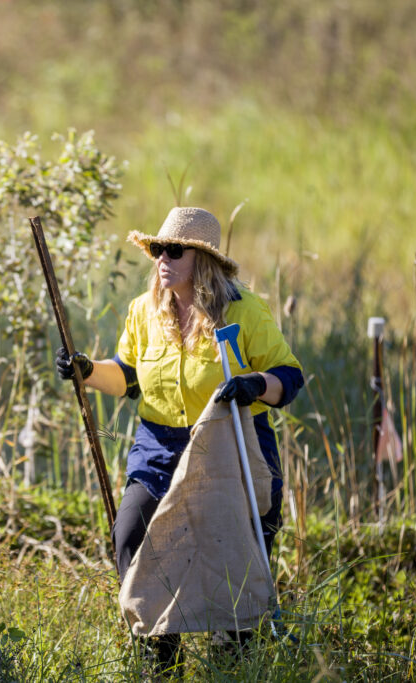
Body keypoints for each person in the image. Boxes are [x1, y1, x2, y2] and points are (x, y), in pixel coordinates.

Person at [56, 206, 303, 668]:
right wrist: (87, 371)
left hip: (229, 444)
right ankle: (159, 656)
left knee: (236, 553)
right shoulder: (143, 311)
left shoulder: (244, 312)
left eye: (173, 250)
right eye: (156, 250)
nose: (161, 259)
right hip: (159, 446)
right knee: (131, 533)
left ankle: (233, 662)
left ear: (202, 260)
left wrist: (254, 384)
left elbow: (289, 377)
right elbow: (128, 378)